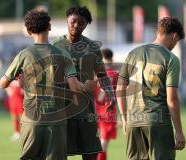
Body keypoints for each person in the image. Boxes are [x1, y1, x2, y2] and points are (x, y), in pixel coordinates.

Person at [0, 9, 88, 160]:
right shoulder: (62, 54)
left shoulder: (24, 54)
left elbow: (3, 83)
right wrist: (85, 86)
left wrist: (16, 77)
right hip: (56, 120)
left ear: (28, 31)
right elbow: (74, 88)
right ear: (49, 27)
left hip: (31, 120)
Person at [116, 17, 186, 160]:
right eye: (176, 41)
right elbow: (172, 99)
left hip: (133, 121)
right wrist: (179, 131)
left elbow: (120, 88)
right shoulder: (171, 59)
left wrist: (124, 118)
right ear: (174, 36)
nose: (174, 45)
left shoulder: (133, 54)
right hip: (158, 121)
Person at [52, 5, 115, 160]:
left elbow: (102, 74)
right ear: (67, 20)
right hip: (62, 110)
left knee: (91, 153)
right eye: (73, 21)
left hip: (86, 110)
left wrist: (111, 94)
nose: (76, 25)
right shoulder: (56, 46)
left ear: (86, 25)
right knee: (59, 153)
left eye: (81, 23)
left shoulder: (92, 48)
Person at [94, 48, 118, 160]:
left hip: (95, 112)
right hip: (108, 112)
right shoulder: (114, 74)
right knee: (103, 144)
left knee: (99, 143)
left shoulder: (96, 74)